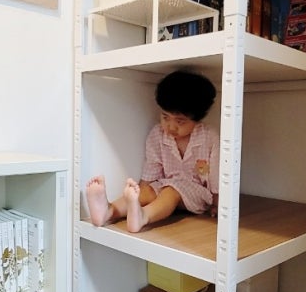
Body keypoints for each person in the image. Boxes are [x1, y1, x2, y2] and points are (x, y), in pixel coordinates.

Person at [86, 70, 219, 233]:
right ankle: (109, 211)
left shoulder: (209, 137)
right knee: (150, 190)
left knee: (171, 191)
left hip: (198, 193)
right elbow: (151, 170)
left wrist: (217, 204)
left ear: (197, 119)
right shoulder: (158, 134)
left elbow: (216, 176)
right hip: (165, 186)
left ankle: (143, 217)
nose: (171, 126)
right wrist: (140, 192)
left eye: (180, 121)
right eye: (165, 117)